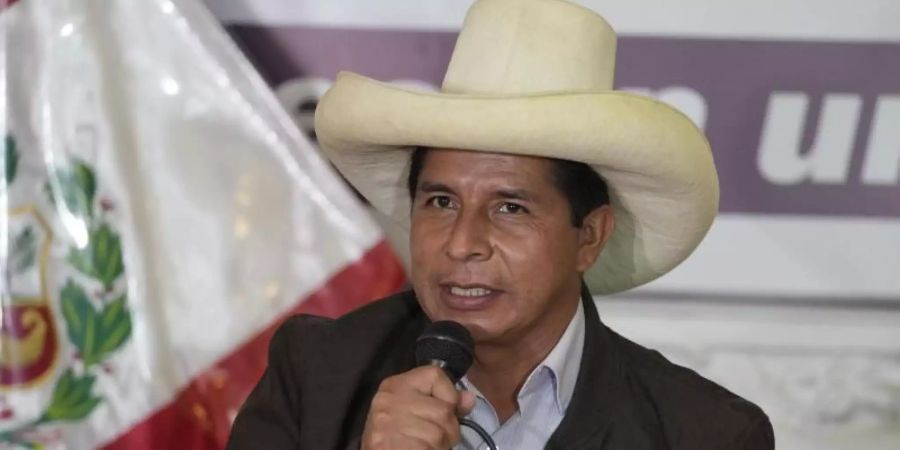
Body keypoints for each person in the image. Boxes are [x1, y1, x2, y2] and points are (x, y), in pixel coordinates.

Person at [227, 0, 774, 449]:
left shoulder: (707, 434)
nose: (462, 244)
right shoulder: (316, 377)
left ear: (590, 235)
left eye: (510, 208)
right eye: (440, 202)